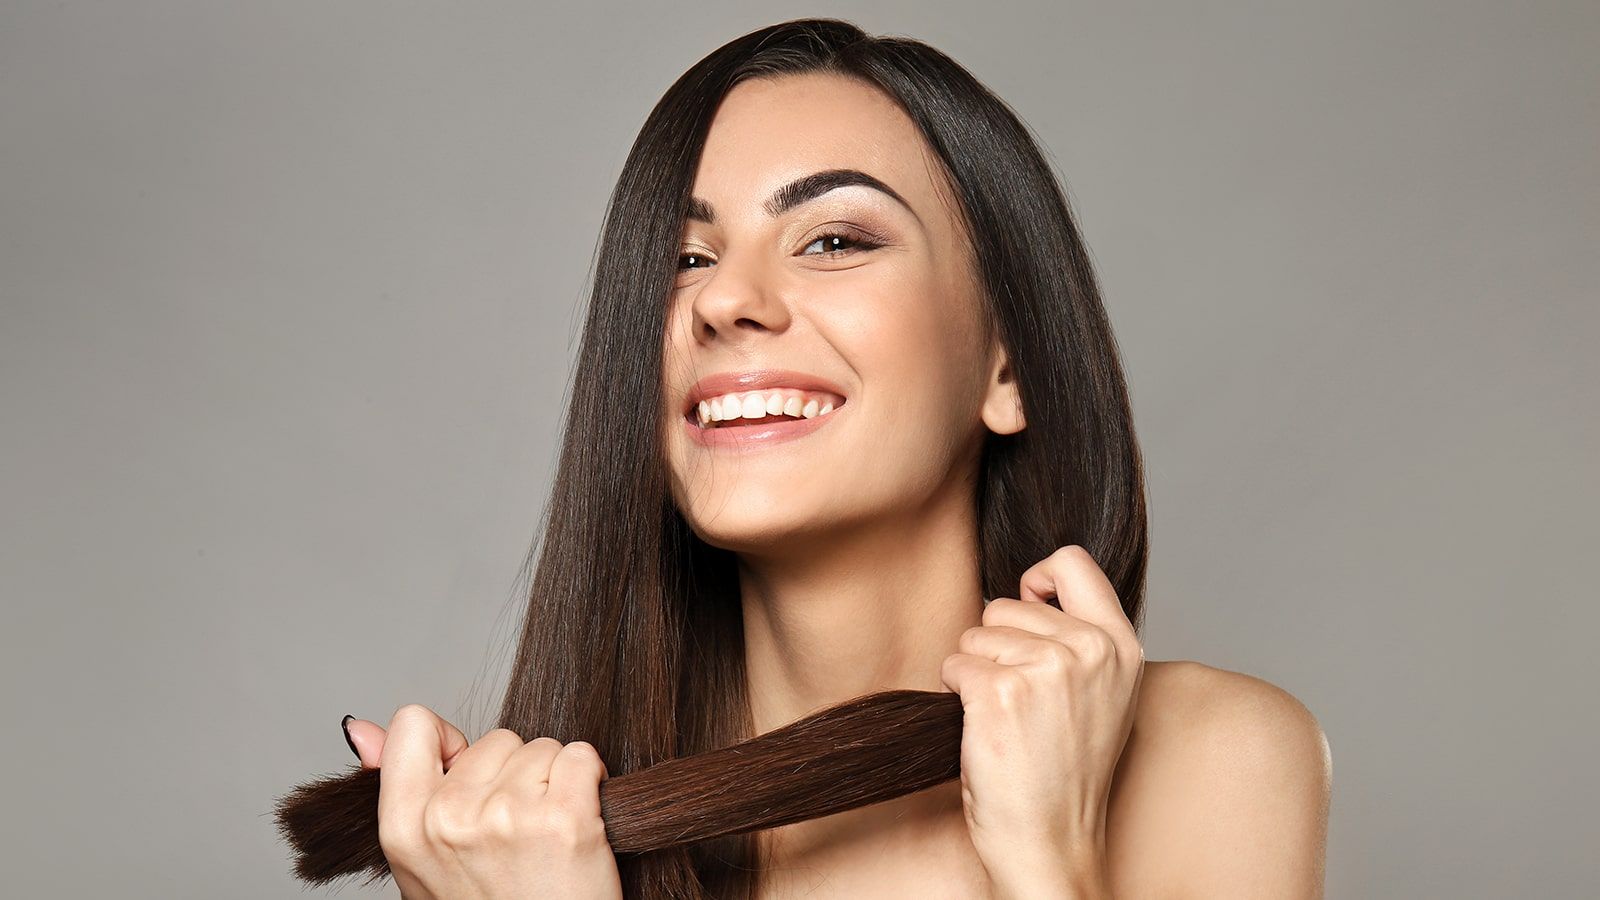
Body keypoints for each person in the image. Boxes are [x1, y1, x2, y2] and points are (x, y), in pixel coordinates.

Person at [339, 19, 1331, 899]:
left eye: (834, 240)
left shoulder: (1216, 760)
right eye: (685, 259)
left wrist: (1046, 856)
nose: (724, 300)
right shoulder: (520, 845)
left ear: (1009, 364)